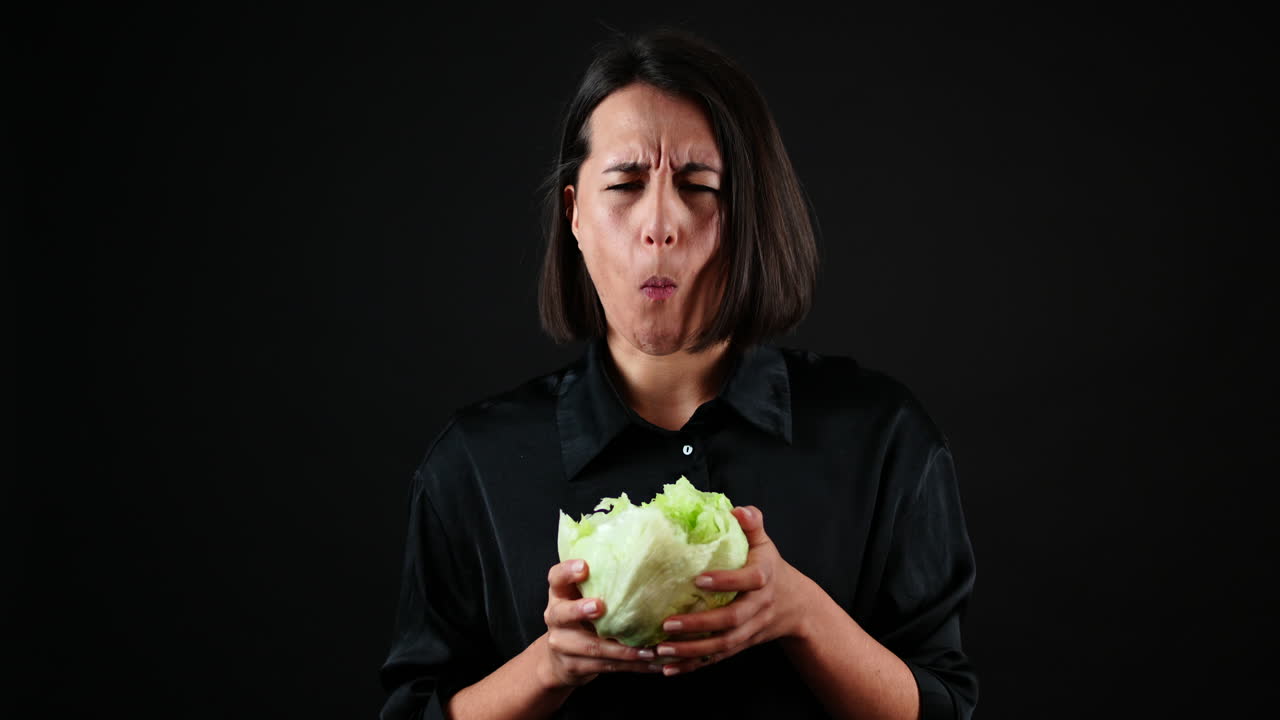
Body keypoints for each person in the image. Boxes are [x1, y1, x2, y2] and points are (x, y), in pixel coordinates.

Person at [379, 27, 978, 720]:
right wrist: (551, 665)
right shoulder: (473, 465)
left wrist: (803, 613)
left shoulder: (882, 440)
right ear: (574, 215)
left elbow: (946, 707)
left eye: (698, 186)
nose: (659, 224)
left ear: (750, 215)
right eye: (626, 184)